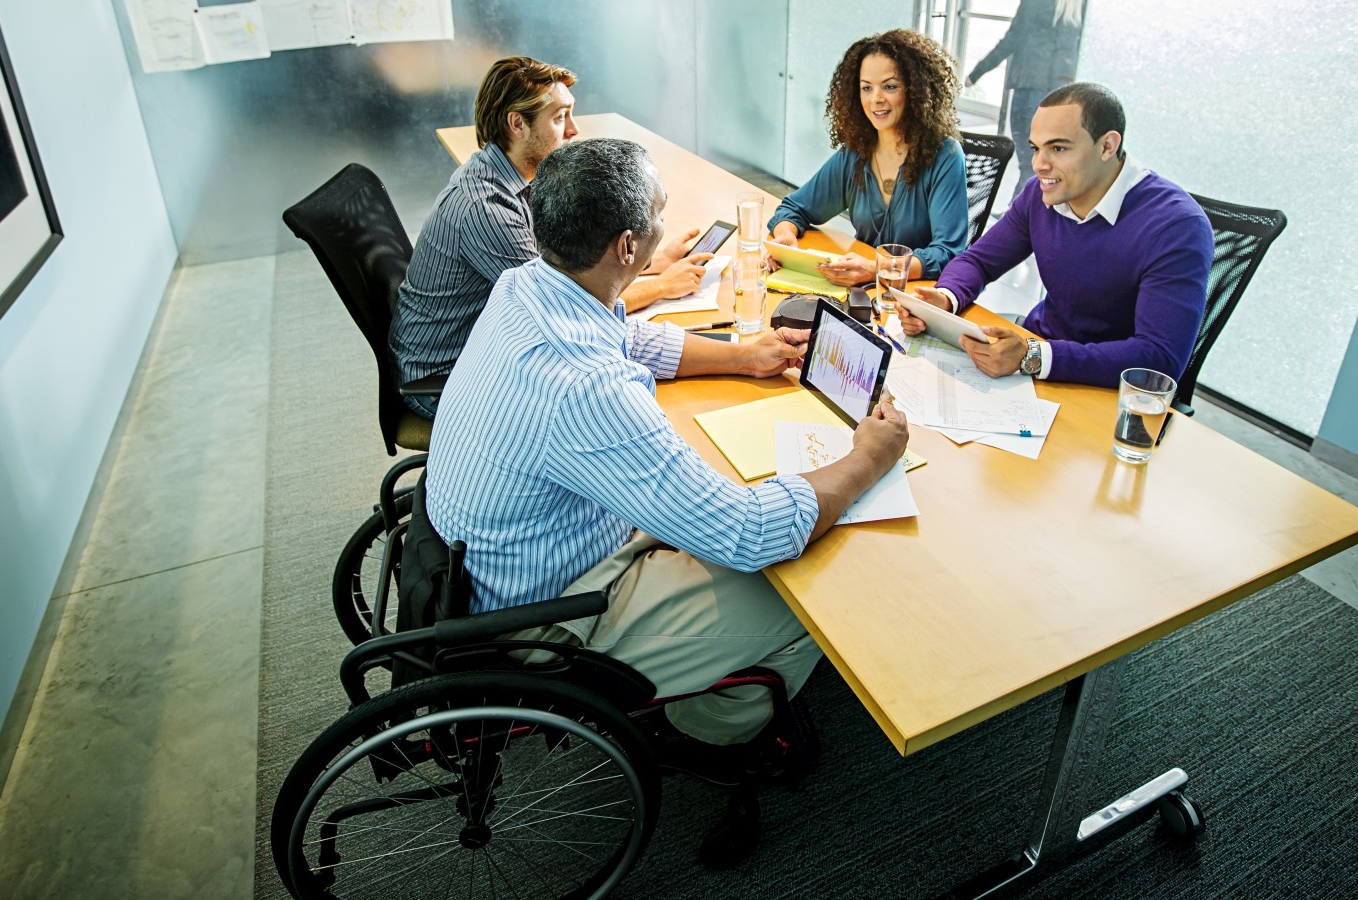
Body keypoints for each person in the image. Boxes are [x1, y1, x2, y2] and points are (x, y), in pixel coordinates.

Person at [424, 138, 911, 761]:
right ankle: (711, 732)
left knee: (720, 497)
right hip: (555, 614)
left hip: (497, 559)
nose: (666, 222)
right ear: (629, 247)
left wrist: (743, 356)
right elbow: (748, 534)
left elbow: (621, 335)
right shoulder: (589, 390)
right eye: (659, 212)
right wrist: (868, 457)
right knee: (809, 586)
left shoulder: (527, 285)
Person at [390, 57, 714, 419]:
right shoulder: (488, 210)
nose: (574, 130)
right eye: (559, 118)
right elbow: (567, 306)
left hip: (468, 347)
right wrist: (660, 287)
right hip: (445, 377)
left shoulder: (506, 177)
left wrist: (652, 262)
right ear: (518, 125)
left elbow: (569, 271)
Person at [900, 83, 1213, 387]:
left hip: (1104, 390)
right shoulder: (1040, 194)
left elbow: (1159, 358)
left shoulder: (1177, 226)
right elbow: (980, 261)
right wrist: (946, 298)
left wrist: (1035, 357)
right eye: (1036, 148)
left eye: (1058, 148)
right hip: (1037, 352)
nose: (1038, 165)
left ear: (1107, 146)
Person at [767, 29, 968, 286]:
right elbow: (795, 208)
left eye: (890, 86)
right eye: (866, 88)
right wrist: (785, 236)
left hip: (916, 297)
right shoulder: (856, 153)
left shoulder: (946, 156)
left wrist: (879, 268)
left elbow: (947, 254)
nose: (876, 99)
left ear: (916, 90)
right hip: (864, 293)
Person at [965, 0, 1088, 200]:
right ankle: (1021, 213)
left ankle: (1021, 218)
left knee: (1030, 162)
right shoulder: (1075, 5)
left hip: (1030, 88)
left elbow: (1013, 38)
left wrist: (976, 72)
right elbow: (1068, 53)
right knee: (1044, 161)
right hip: (1057, 95)